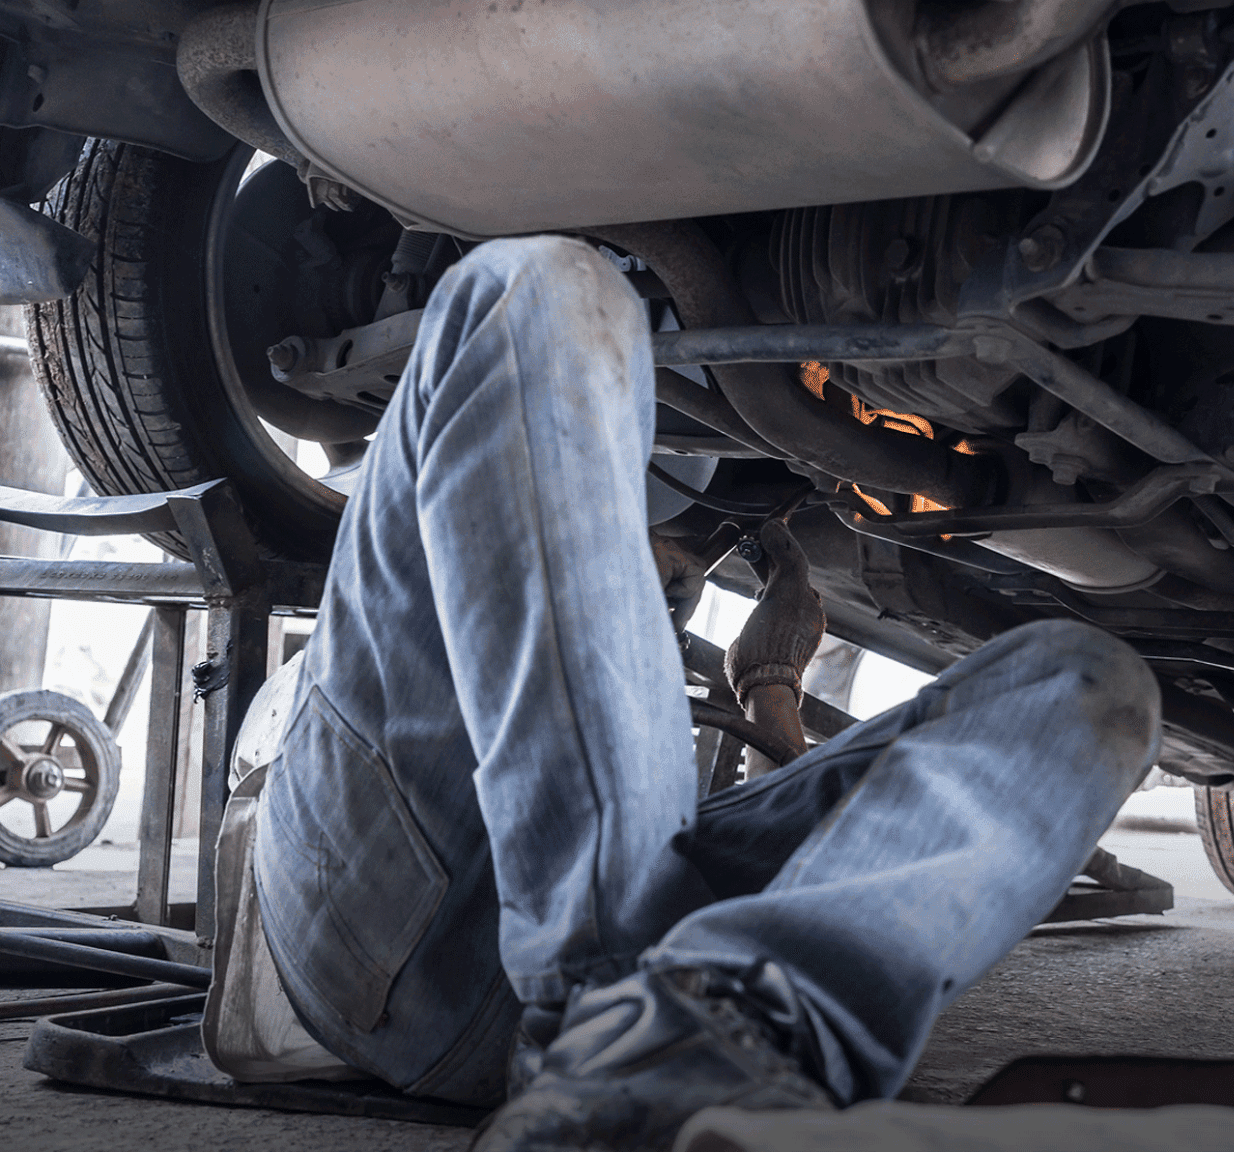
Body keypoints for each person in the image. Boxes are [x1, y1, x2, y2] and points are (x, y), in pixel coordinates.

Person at [201, 235, 1163, 1151]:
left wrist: (772, 687)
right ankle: (614, 1019)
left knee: (1091, 682)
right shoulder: (433, 510)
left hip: (639, 969)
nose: (665, 579)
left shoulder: (624, 677)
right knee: (531, 289)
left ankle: (691, 1035)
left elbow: (757, 818)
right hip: (379, 934)